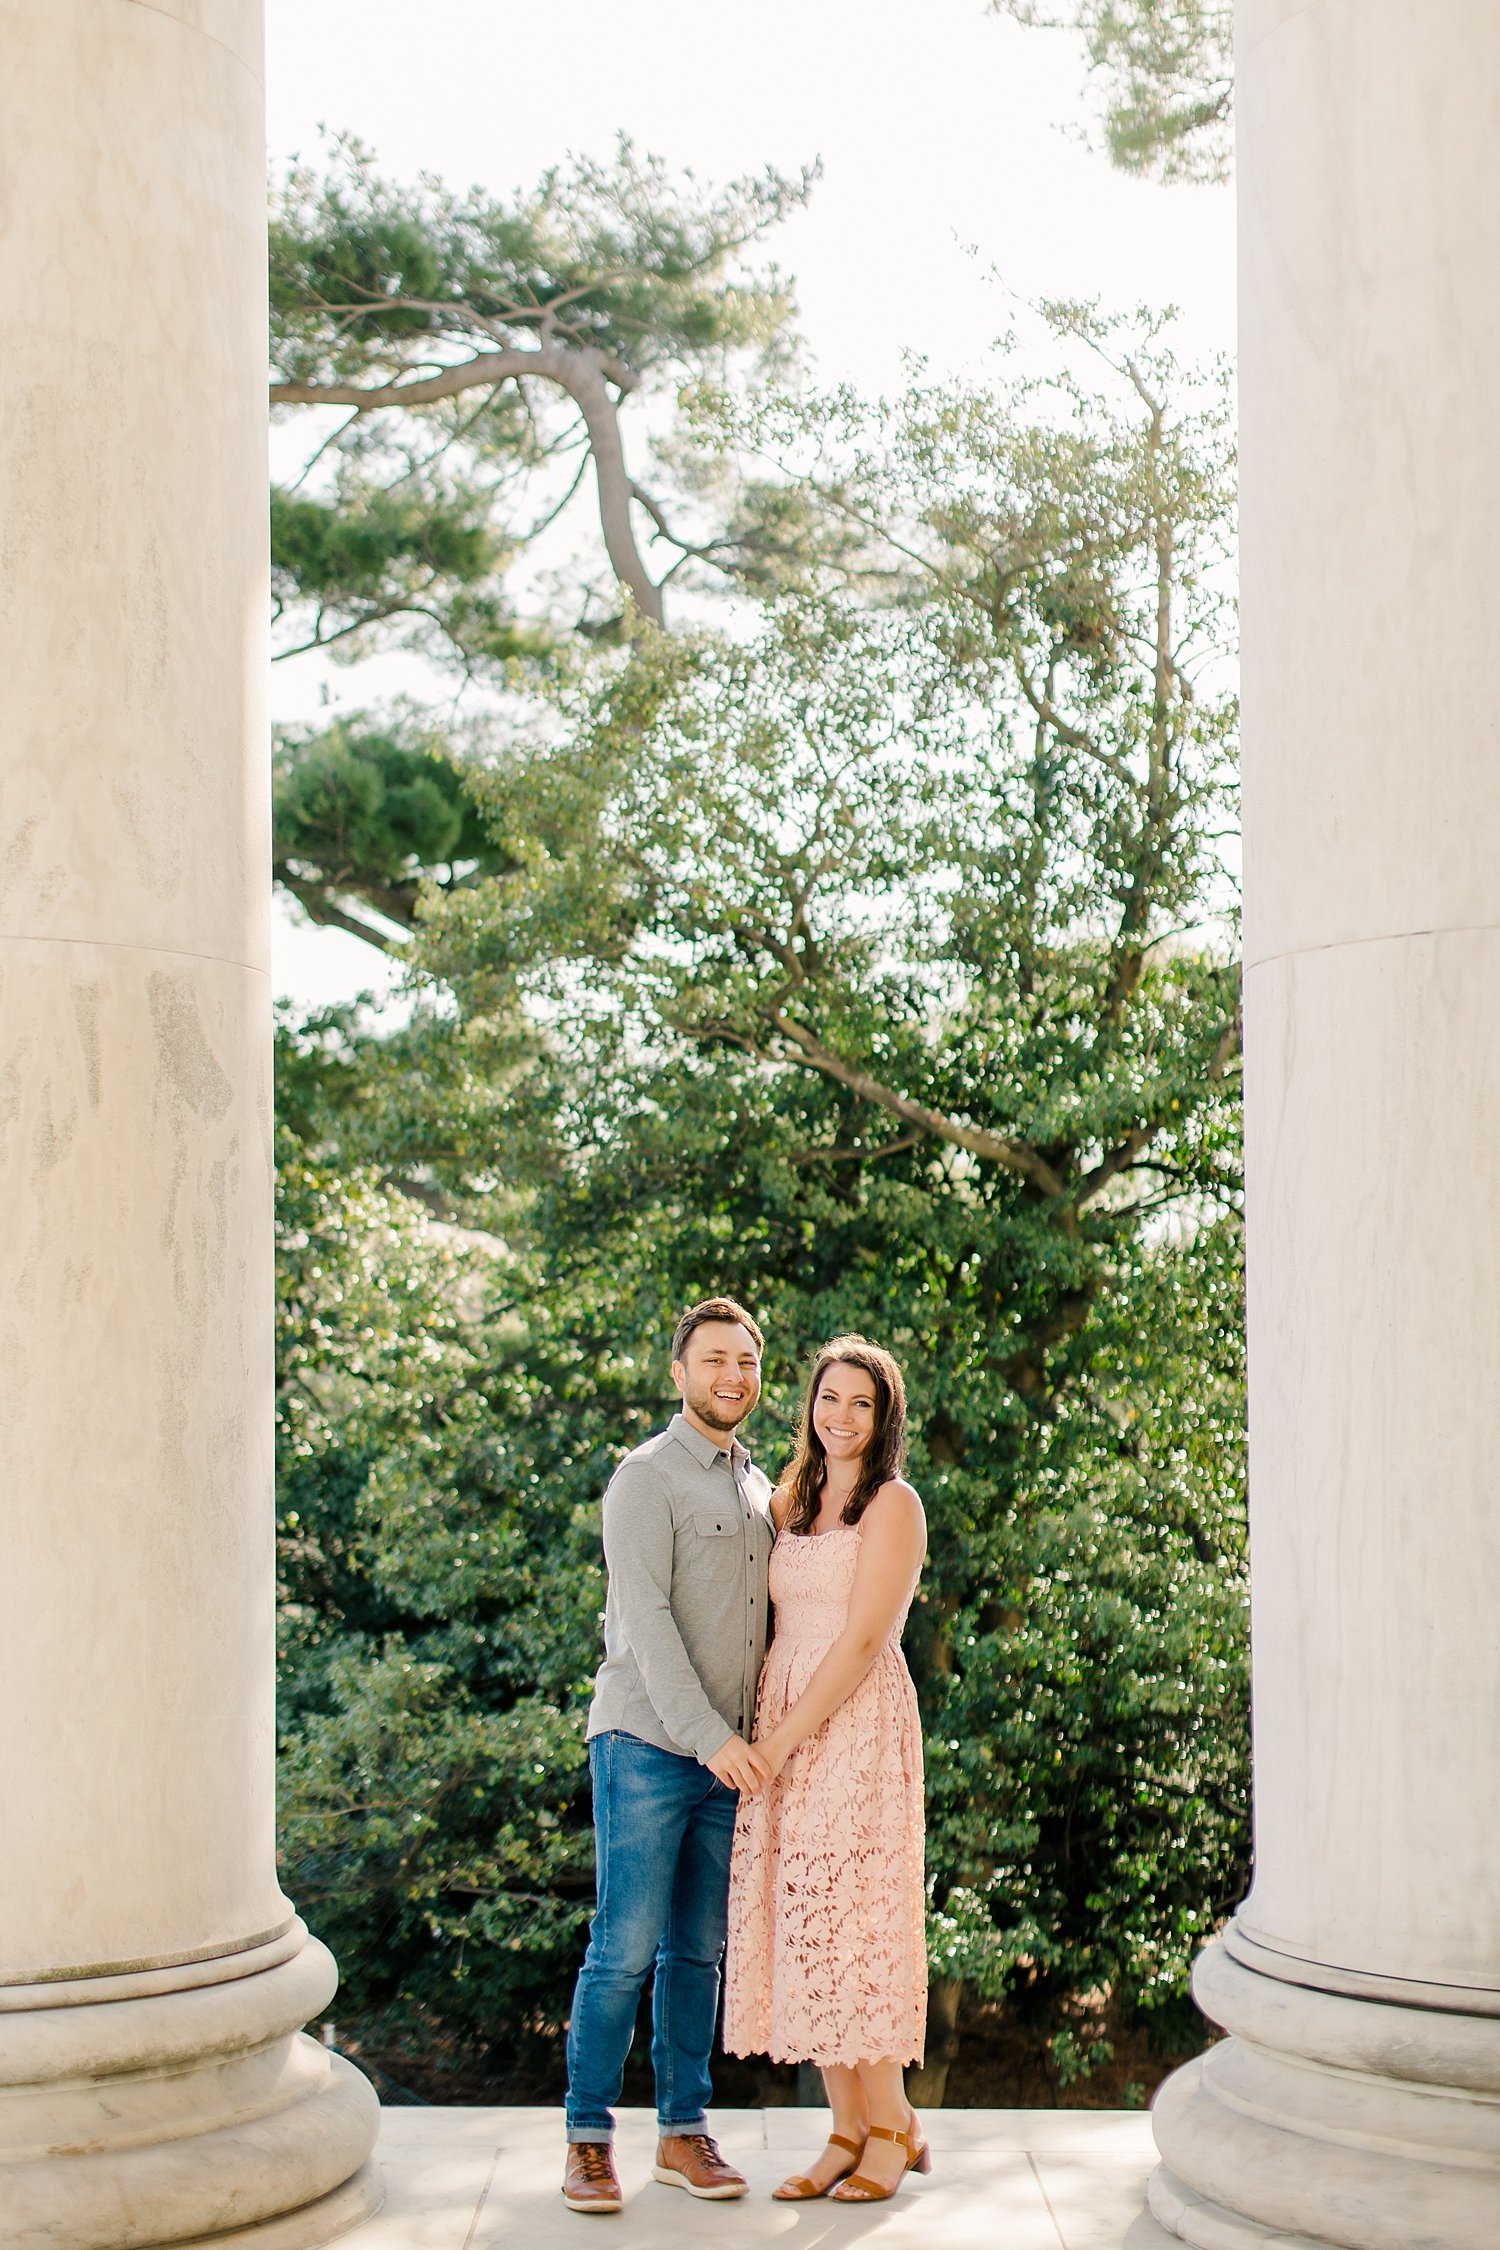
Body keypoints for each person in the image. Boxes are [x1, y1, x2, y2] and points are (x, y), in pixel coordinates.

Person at [561, 1296, 775, 2217]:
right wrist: (712, 1739)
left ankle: (683, 2133)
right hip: (650, 1744)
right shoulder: (643, 1477)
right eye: (715, 1360)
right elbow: (644, 1625)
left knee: (698, 1952)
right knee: (625, 1946)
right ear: (679, 1373)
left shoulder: (760, 1485)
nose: (733, 1376)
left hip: (729, 1760)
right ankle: (586, 2140)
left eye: (748, 1362)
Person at [724, 1334, 929, 2204]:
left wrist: (780, 1743)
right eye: (829, 1398)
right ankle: (845, 2129)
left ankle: (894, 2125)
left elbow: (859, 1641)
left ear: (882, 1419)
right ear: (807, 1404)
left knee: (859, 1921)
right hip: (784, 1713)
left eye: (861, 1403)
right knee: (807, 1917)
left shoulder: (893, 1504)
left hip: (852, 1724)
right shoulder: (791, 1498)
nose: (840, 1416)